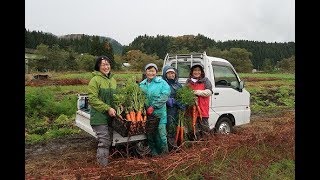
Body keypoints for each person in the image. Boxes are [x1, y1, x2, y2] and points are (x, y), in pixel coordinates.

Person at [87, 56, 117, 166]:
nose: (106, 66)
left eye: (107, 64)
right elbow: (92, 99)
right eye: (103, 64)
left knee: (109, 141)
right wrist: (107, 108)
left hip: (110, 117)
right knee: (104, 142)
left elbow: (115, 98)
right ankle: (102, 169)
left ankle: (104, 163)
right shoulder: (95, 80)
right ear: (98, 66)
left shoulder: (113, 80)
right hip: (99, 116)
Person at [139, 63, 171, 156]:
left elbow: (164, 96)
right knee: (150, 136)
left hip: (159, 114)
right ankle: (154, 156)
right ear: (146, 72)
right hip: (147, 115)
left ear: (156, 72)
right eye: (149, 70)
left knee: (161, 136)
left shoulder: (162, 83)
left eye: (153, 70)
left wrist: (153, 106)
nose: (151, 73)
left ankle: (164, 156)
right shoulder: (142, 84)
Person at [185, 63, 213, 140]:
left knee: (204, 129)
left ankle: (206, 145)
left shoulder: (205, 80)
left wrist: (196, 92)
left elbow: (209, 92)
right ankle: (194, 146)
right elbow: (185, 93)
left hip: (202, 110)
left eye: (198, 70)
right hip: (191, 110)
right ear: (192, 72)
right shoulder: (188, 81)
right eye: (195, 70)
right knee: (193, 130)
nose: (197, 72)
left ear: (201, 72)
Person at [162, 65, 184, 150]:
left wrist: (180, 104)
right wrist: (167, 100)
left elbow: (182, 97)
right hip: (167, 109)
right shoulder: (163, 84)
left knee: (175, 127)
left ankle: (177, 143)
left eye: (173, 73)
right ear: (165, 74)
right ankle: (171, 147)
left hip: (176, 109)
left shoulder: (178, 85)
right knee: (169, 126)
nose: (171, 75)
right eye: (169, 73)